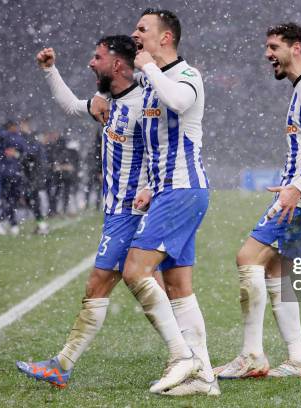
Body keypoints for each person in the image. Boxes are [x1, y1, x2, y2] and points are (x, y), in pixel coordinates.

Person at [16, 35, 149, 389]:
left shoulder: (146, 104)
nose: (91, 63)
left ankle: (63, 364)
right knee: (165, 289)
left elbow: (164, 148)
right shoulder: (107, 102)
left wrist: (150, 188)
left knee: (101, 285)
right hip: (119, 211)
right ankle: (191, 360)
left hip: (132, 213)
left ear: (117, 63)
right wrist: (49, 71)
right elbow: (73, 106)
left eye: (97, 57)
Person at [214, 23, 301, 380]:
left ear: (296, 47)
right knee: (275, 268)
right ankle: (299, 358)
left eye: (274, 47)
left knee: (247, 258)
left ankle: (251, 355)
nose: (268, 54)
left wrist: (296, 187)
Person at [119, 8, 216, 396]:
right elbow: (152, 141)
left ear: (166, 38)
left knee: (135, 271)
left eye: (142, 28)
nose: (134, 33)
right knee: (178, 287)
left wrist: (149, 68)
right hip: (166, 191)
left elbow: (177, 102)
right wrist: (145, 183)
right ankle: (205, 377)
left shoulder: (186, 75)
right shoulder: (148, 82)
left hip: (183, 189)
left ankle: (182, 356)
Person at [0, 121, 27, 235]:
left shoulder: (1, 139)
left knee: (8, 200)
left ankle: (11, 223)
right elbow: (24, 152)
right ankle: (2, 221)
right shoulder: (15, 138)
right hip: (13, 173)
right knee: (11, 200)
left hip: (6, 173)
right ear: (12, 127)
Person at [20, 118, 49, 234]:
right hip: (31, 174)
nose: (21, 127)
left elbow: (31, 154)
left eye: (23, 125)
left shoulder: (32, 139)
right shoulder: (26, 139)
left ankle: (42, 225)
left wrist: (20, 155)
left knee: (33, 200)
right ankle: (41, 224)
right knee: (30, 200)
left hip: (34, 174)